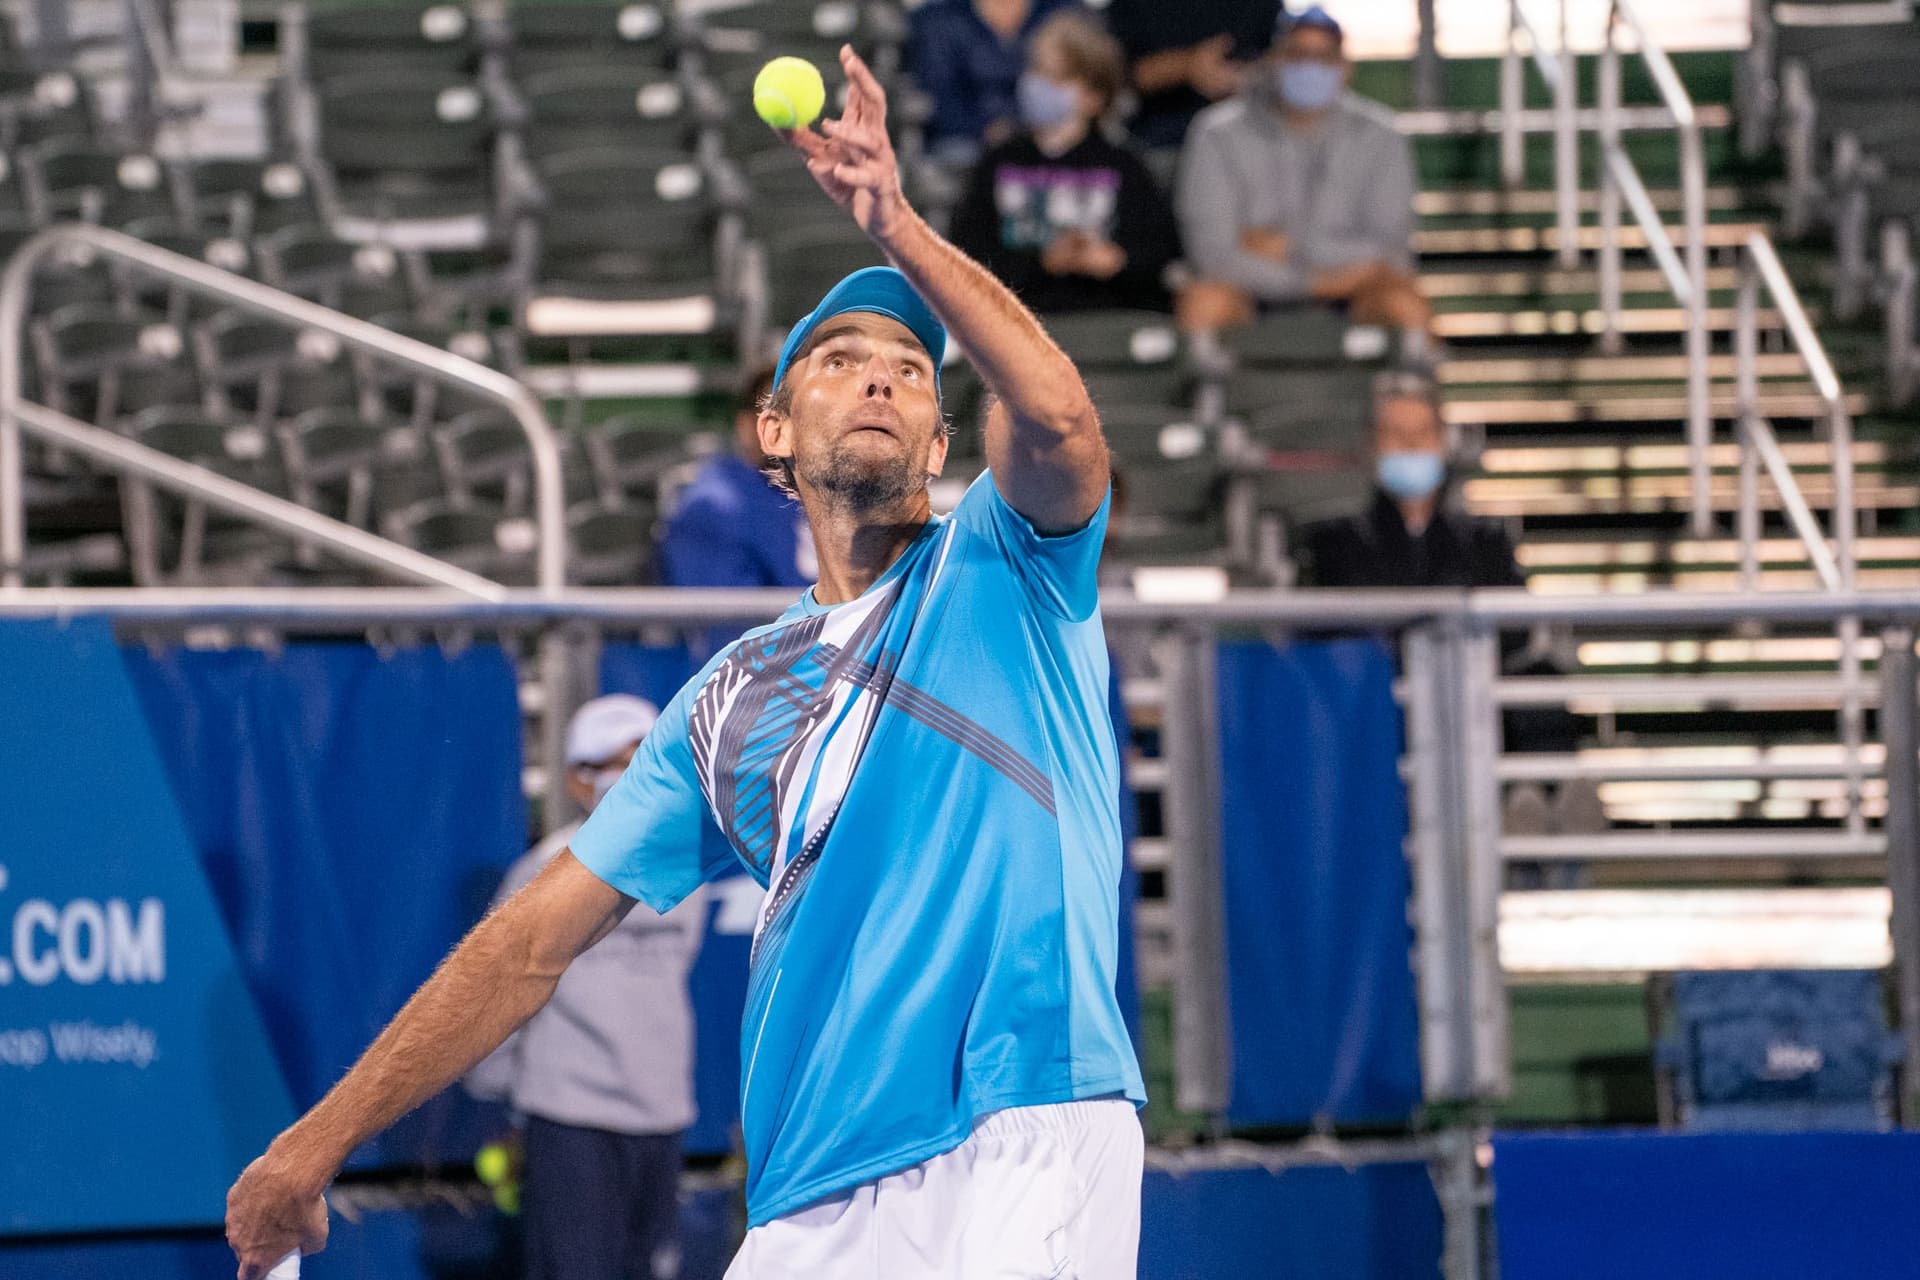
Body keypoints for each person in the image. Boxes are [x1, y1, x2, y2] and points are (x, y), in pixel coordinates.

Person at [226, 42, 1143, 1280]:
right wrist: (313, 1145)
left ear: (937, 434)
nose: (880, 371)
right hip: (812, 1179)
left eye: (912, 369)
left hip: (1023, 1123)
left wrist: (900, 224)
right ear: (774, 430)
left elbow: (1064, 420)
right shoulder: (729, 701)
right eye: (838, 359)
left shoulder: (1011, 567)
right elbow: (527, 943)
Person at [464, 695, 706, 1280]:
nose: (639, 778)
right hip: (569, 1122)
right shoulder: (538, 876)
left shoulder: (689, 868)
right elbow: (499, 993)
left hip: (662, 1118)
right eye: (622, 764)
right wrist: (509, 1098)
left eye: (648, 761)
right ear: (578, 780)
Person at [1174, 7, 1431, 344]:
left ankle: (1406, 397)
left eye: (1323, 57)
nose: (1309, 67)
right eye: (1297, 54)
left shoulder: (1381, 135)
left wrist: (1292, 247)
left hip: (1354, 293)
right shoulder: (1216, 132)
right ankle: (1207, 398)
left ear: (1345, 68)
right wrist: (1308, 282)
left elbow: (1389, 251)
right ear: (1273, 60)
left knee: (1405, 303)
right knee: (1203, 302)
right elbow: (1212, 252)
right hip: (1250, 291)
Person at [948, 10, 1182, 315]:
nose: (1036, 84)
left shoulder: (1123, 166)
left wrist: (1114, 260)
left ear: (1093, 97)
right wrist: (1043, 262)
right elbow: (968, 253)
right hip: (1015, 320)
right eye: (1034, 70)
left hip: (1105, 316)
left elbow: (1160, 249)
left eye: (1054, 77)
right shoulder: (999, 161)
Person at [1293, 372, 1519, 592]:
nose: (1411, 444)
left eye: (1423, 432)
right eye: (1395, 433)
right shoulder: (1333, 545)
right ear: (1371, 444)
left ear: (1444, 443)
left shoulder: (1486, 543)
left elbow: (1516, 623)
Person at [658, 365, 816, 591]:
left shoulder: (831, 496)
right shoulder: (713, 508)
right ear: (745, 425)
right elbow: (725, 620)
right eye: (779, 415)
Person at [906, 0, 1081, 166]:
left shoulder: (1066, 11)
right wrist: (988, 132)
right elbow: (938, 100)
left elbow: (1089, 84)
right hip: (967, 144)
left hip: (1053, 136)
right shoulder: (938, 18)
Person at [1105, 0, 1283, 150]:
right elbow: (1114, 73)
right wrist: (1186, 66)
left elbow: (1284, 53)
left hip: (1248, 141)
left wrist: (1247, 76)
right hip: (1160, 143)